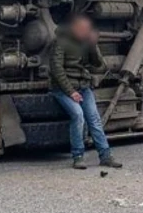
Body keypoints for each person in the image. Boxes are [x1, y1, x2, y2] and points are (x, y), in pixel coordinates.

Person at [50, 14, 123, 170]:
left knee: (94, 118)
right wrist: (71, 92)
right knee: (78, 115)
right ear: (74, 28)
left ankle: (105, 155)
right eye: (83, 30)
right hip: (63, 89)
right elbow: (57, 70)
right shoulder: (60, 42)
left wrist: (93, 45)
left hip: (83, 86)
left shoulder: (85, 42)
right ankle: (78, 156)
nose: (86, 32)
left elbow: (98, 65)